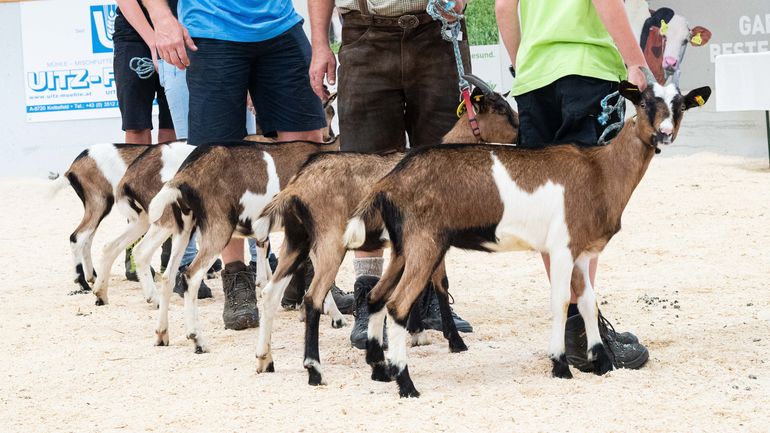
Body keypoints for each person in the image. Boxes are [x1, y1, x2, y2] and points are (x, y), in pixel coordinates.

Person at [143, 0, 329, 330]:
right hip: (210, 30)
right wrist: (161, 17)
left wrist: (320, 40)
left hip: (280, 26)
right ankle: (236, 276)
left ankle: (299, 267)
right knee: (217, 162)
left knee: (308, 148)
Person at [308, 0, 474, 349]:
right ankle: (369, 297)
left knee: (439, 173)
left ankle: (428, 293)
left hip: (437, 32)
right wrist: (320, 44)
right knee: (365, 175)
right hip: (366, 34)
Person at [495, 0, 649, 370]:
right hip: (588, 72)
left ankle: (573, 324)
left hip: (533, 78)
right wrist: (636, 61)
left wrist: (525, 63)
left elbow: (503, 7)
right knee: (586, 211)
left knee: (551, 214)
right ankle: (584, 330)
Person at [113, 0, 174, 281]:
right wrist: (153, 39)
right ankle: (135, 239)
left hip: (180, 30)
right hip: (136, 34)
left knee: (173, 136)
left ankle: (173, 239)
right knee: (137, 132)